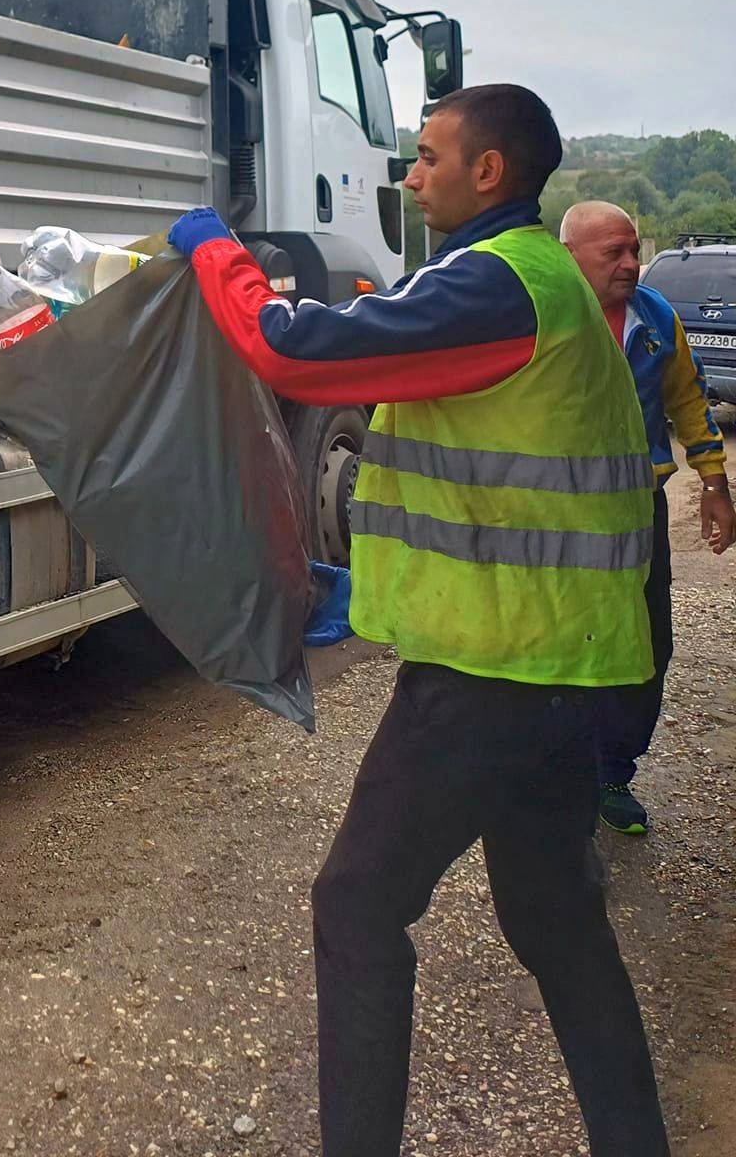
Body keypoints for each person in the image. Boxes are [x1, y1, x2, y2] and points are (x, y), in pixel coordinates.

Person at [167, 84, 667, 1157]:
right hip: (556, 663)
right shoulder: (513, 279)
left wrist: (215, 248)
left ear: (488, 171)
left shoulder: (500, 283)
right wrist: (359, 590)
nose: (410, 171)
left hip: (497, 672)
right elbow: (479, 488)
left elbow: (300, 351)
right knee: (555, 919)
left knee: (357, 903)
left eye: (429, 154)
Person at [560, 199, 733, 833]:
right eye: (615, 252)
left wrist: (715, 483)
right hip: (557, 513)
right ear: (570, 257)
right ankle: (553, 774)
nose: (632, 263)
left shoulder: (657, 316)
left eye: (635, 249)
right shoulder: (544, 316)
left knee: (646, 644)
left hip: (639, 511)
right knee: (563, 639)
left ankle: (611, 774)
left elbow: (690, 403)